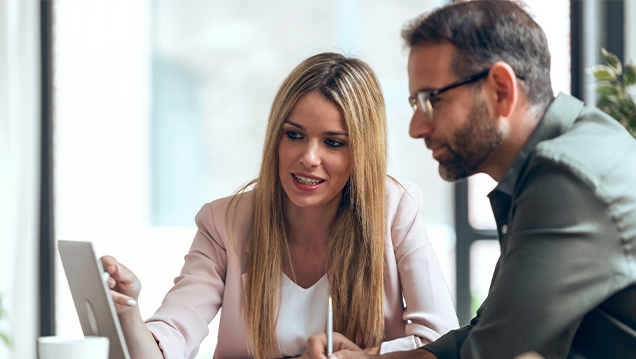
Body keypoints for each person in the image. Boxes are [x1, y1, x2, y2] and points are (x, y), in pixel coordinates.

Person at [305, 1, 636, 358]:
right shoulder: (573, 147)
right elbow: (491, 331)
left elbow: (492, 352)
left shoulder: (565, 179)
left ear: (501, 90)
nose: (417, 128)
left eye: (432, 101)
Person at [101, 52, 458, 359]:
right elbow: (169, 340)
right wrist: (129, 310)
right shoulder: (223, 222)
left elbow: (441, 345)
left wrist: (363, 356)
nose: (309, 157)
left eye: (333, 143)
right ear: (275, 137)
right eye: (294, 135)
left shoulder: (395, 209)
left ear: (361, 153)